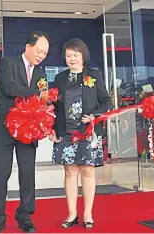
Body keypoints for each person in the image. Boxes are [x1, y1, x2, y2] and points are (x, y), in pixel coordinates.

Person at [0, 31, 50, 233]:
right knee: (0, 175)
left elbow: (43, 100)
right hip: (4, 129)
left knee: (27, 174)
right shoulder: (8, 63)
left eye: (45, 53)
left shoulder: (41, 73)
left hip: (28, 131)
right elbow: (10, 88)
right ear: (28, 47)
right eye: (39, 51)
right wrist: (38, 94)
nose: (41, 56)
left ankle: (25, 215)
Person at [49, 38, 111, 229]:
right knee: (70, 171)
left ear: (83, 56)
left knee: (87, 170)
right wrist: (50, 128)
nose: (72, 58)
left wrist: (94, 116)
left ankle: (87, 214)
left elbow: (106, 101)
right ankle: (71, 213)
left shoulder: (94, 75)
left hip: (88, 131)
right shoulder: (60, 78)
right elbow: (53, 106)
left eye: (75, 55)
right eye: (68, 55)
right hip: (65, 131)